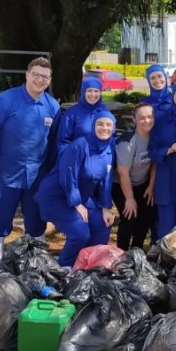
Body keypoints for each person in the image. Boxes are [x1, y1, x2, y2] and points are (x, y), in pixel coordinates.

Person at [0, 57, 60, 269]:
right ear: (27, 75)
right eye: (36, 75)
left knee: (35, 214)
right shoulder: (6, 99)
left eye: (45, 77)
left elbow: (54, 143)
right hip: (6, 171)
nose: (40, 80)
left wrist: (52, 174)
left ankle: (37, 255)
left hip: (37, 173)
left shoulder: (52, 106)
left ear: (50, 79)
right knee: (3, 212)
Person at [36, 112, 117, 268]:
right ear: (93, 126)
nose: (104, 128)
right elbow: (68, 175)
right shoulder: (80, 145)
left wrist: (105, 207)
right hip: (57, 195)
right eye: (100, 124)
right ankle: (64, 267)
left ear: (113, 128)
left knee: (103, 224)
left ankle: (89, 264)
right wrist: (76, 204)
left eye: (108, 125)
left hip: (82, 196)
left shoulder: (109, 149)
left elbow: (105, 179)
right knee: (80, 233)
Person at [148, 81, 176, 239]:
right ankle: (163, 253)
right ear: (172, 96)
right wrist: (168, 149)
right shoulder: (161, 120)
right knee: (166, 226)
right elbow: (152, 150)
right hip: (167, 180)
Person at [113, 103, 157, 250]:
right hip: (121, 184)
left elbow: (154, 163)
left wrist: (150, 187)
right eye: (142, 117)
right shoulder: (128, 141)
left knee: (148, 216)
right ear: (134, 119)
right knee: (130, 217)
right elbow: (123, 172)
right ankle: (122, 253)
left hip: (142, 183)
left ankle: (137, 250)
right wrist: (130, 199)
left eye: (150, 117)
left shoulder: (154, 136)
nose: (147, 121)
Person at [55, 76, 111, 155]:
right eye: (89, 91)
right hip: (78, 158)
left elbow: (112, 137)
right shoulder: (71, 113)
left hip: (101, 159)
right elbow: (62, 141)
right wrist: (70, 158)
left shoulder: (105, 112)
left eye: (96, 91)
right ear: (83, 92)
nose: (93, 94)